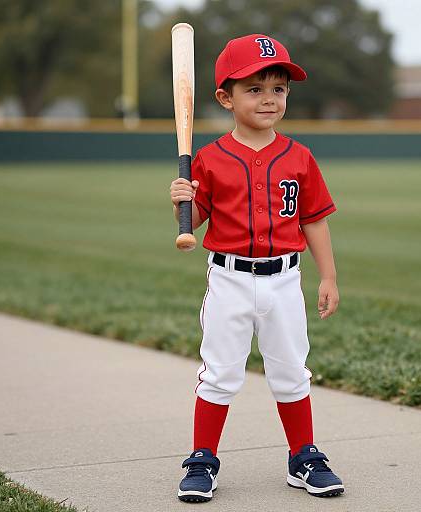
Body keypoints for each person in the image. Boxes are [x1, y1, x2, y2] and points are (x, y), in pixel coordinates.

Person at [170, 33, 344, 503]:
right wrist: (183, 201)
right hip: (228, 278)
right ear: (225, 97)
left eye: (279, 88)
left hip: (286, 280)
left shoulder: (300, 157)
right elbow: (195, 222)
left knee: (291, 372)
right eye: (254, 88)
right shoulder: (207, 158)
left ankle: (303, 457)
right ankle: (202, 459)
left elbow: (314, 221)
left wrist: (327, 276)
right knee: (221, 374)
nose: (269, 99)